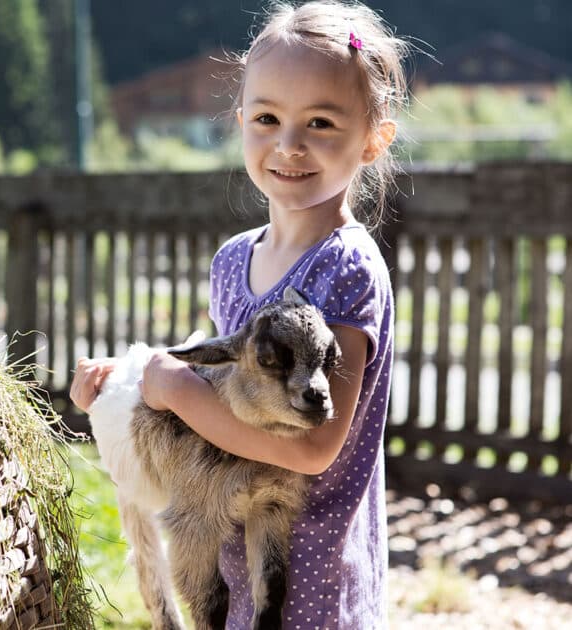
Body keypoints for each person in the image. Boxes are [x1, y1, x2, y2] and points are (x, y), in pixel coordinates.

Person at [71, 1, 409, 627]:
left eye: (321, 123)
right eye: (267, 118)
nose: (289, 144)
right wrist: (126, 379)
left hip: (309, 576)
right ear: (240, 122)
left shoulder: (347, 267)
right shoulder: (233, 260)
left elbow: (313, 449)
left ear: (372, 139)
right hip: (225, 555)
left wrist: (172, 389)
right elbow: (223, 382)